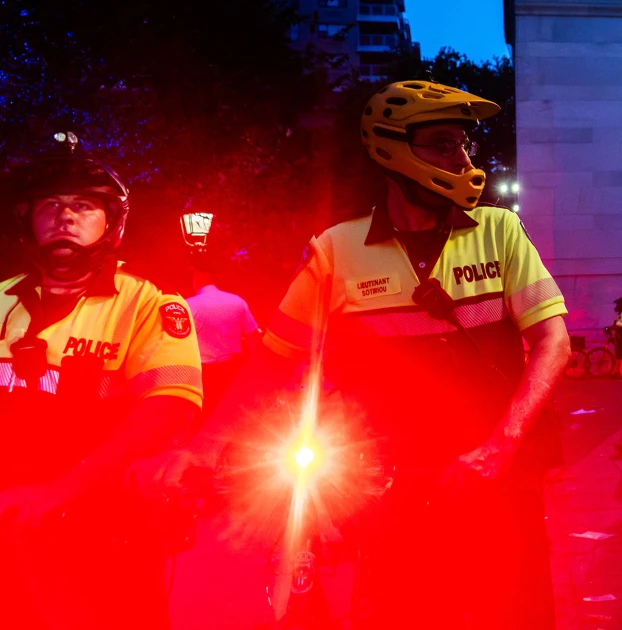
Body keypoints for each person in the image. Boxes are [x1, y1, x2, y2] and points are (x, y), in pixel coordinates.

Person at [140, 81, 570, 628]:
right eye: (441, 144)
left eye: (463, 145)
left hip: (499, 474)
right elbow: (274, 361)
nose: (460, 158)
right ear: (392, 149)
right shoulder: (336, 250)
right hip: (396, 485)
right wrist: (203, 448)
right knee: (403, 610)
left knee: (517, 611)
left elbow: (553, 341)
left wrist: (498, 448)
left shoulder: (500, 230)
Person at [0, 132, 203, 628]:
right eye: (50, 205)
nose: (64, 217)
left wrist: (62, 490)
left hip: (107, 529)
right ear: (27, 220)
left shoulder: (150, 304)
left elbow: (168, 409)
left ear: (111, 222)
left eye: (84, 206)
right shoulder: (2, 299)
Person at [186, 256, 260, 416]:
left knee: (203, 415)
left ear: (197, 277)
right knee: (229, 414)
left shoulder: (189, 305)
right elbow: (253, 340)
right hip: (232, 370)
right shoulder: (238, 302)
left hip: (202, 373)